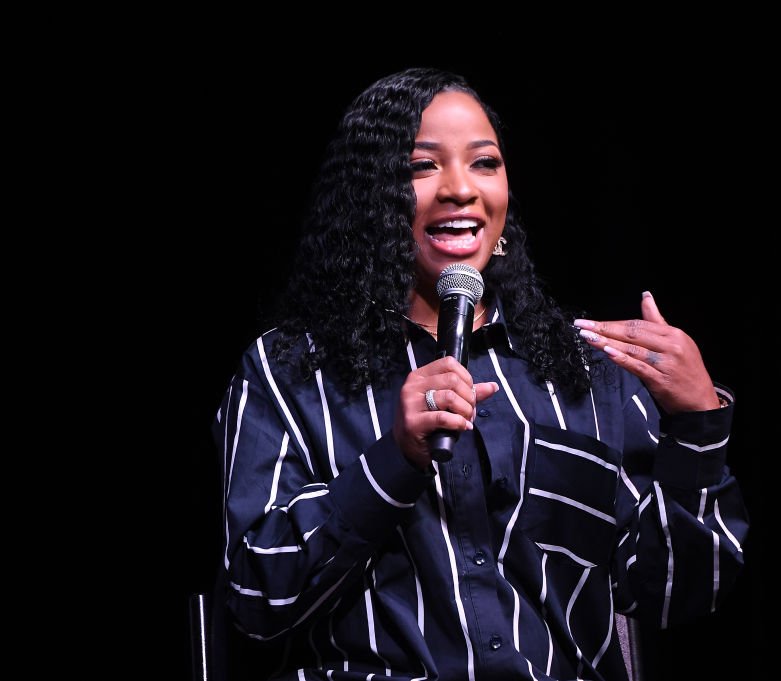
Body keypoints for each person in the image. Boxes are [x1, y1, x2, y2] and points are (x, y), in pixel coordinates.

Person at [213, 67, 747, 681]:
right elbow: (256, 599)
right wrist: (394, 460)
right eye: (422, 166)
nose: (460, 189)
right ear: (369, 201)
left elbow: (678, 590)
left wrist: (697, 423)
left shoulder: (584, 372)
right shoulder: (290, 372)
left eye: (484, 162)